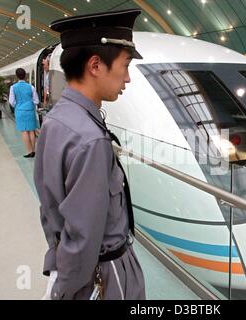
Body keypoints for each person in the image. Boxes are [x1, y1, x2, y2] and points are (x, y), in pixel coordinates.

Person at [34, 9, 145, 300]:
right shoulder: (91, 139)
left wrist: (58, 271)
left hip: (70, 266)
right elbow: (83, 239)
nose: (128, 78)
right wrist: (66, 291)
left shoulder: (56, 119)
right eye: (125, 65)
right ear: (95, 65)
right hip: (108, 276)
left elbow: (50, 211)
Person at [9, 68, 40, 158]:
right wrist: (29, 104)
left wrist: (18, 105)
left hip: (20, 111)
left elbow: (11, 101)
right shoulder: (31, 87)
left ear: (17, 76)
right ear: (25, 75)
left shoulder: (13, 87)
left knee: (24, 131)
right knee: (31, 131)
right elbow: (36, 101)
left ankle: (29, 151)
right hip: (30, 110)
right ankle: (34, 150)